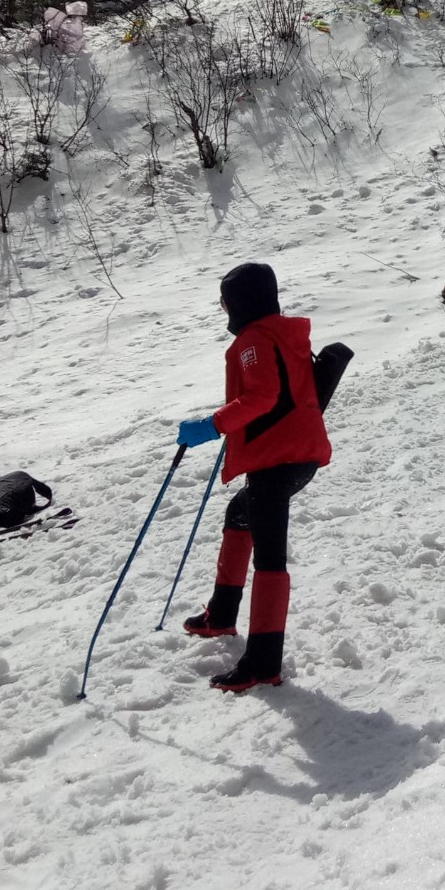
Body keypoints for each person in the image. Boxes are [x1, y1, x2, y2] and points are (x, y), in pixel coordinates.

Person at [177, 262, 330, 694]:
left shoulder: (255, 340)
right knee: (238, 515)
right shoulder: (280, 332)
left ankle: (263, 661)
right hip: (295, 454)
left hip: (278, 459)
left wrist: (213, 425)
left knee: (270, 555)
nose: (223, 307)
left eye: (225, 300)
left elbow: (262, 397)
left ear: (240, 302)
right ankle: (222, 615)